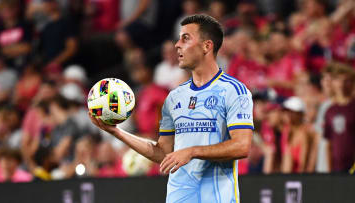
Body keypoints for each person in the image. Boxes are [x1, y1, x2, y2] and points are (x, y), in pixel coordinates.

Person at [89, 14, 253, 203]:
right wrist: (116, 132)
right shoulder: (174, 97)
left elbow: (242, 146)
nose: (177, 45)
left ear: (207, 46)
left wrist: (192, 151)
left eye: (185, 38)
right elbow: (162, 152)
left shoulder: (234, 91)